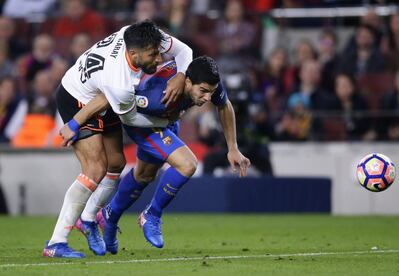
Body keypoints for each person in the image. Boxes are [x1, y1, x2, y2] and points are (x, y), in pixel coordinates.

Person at [63, 56, 250, 253]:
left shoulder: (205, 80)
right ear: (187, 81)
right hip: (142, 122)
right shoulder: (155, 95)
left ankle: (109, 215)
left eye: (211, 92)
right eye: (203, 91)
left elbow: (224, 105)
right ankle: (151, 215)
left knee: (144, 175)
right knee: (187, 164)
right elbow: (110, 97)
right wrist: (75, 123)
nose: (207, 98)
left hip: (166, 122)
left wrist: (233, 147)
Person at [42, 20, 193, 258]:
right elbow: (131, 120)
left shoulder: (135, 33)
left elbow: (185, 51)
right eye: (153, 55)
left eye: (159, 52)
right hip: (77, 98)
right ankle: (56, 242)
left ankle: (88, 220)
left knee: (116, 164)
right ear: (133, 53)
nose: (159, 59)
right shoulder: (119, 82)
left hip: (101, 93)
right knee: (95, 169)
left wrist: (181, 75)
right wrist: (164, 122)